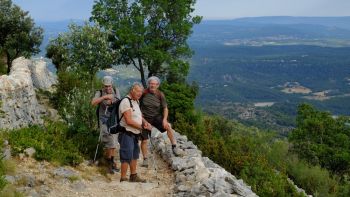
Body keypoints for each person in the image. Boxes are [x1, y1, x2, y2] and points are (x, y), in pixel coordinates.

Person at [140, 76, 183, 167]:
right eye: (151, 83)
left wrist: (164, 119)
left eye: (155, 84)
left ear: (158, 85)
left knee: (168, 126)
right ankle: (145, 159)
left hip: (156, 117)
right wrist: (142, 118)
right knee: (144, 140)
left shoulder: (160, 94)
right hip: (144, 118)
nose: (153, 85)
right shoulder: (143, 93)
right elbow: (136, 104)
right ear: (149, 84)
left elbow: (165, 108)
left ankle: (174, 146)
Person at [118, 82, 152, 182]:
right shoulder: (126, 101)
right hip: (126, 133)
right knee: (126, 154)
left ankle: (133, 176)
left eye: (141, 92)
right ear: (132, 90)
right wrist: (142, 127)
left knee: (134, 154)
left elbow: (139, 115)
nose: (140, 93)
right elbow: (128, 121)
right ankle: (123, 178)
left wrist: (145, 122)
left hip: (135, 133)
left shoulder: (136, 101)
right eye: (138, 91)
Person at [91, 76, 121, 174]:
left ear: (112, 84)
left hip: (114, 120)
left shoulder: (116, 91)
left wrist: (112, 101)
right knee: (109, 141)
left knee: (113, 143)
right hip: (103, 120)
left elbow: (120, 103)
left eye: (109, 86)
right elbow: (93, 103)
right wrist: (104, 97)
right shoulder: (99, 92)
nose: (108, 88)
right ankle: (108, 164)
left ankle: (110, 162)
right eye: (106, 86)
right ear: (103, 85)